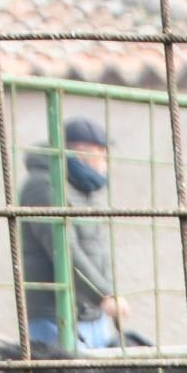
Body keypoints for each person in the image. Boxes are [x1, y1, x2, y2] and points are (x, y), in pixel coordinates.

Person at [20, 116, 126, 352]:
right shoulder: (44, 186)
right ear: (81, 151)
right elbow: (64, 250)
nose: (105, 162)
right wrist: (103, 294)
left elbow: (96, 250)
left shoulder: (81, 188)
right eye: (101, 154)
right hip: (56, 317)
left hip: (92, 315)